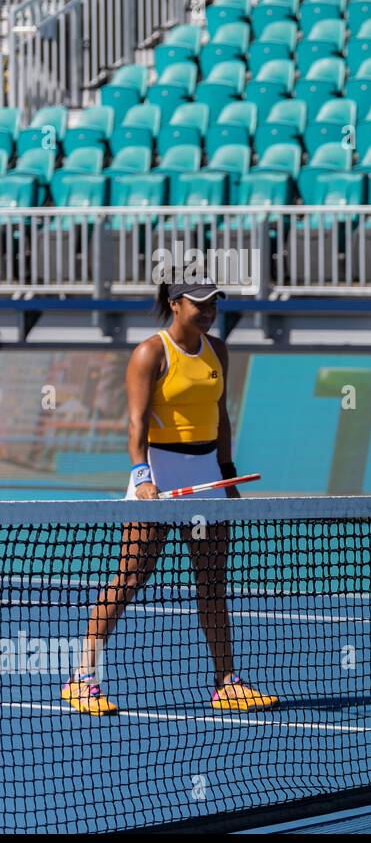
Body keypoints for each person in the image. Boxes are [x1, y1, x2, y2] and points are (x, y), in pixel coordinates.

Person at [61, 280, 277, 716]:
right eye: (199, 304)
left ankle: (226, 682)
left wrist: (227, 474)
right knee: (130, 579)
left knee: (212, 584)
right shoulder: (150, 353)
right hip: (158, 475)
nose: (209, 310)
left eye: (214, 303)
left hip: (206, 479)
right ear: (175, 305)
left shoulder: (218, 350)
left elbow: (220, 416)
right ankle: (82, 678)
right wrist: (142, 478)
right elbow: (136, 422)